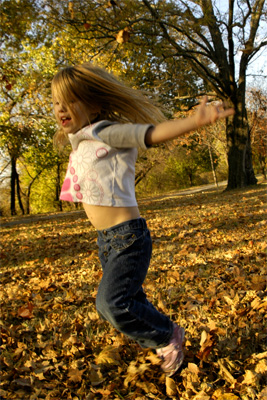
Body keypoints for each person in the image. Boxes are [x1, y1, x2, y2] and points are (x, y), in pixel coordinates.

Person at [52, 63, 234, 377]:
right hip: (107, 242)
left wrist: (194, 121)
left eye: (70, 101)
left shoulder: (107, 131)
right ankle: (164, 338)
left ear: (94, 104)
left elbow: (150, 134)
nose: (60, 109)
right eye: (56, 103)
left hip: (128, 238)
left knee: (110, 304)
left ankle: (166, 335)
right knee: (129, 300)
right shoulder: (80, 137)